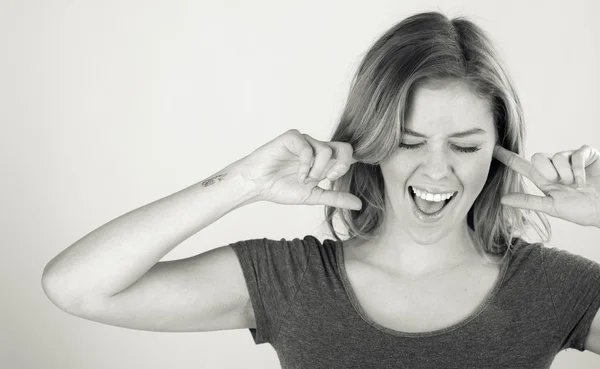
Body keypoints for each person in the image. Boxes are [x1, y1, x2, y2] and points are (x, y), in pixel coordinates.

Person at [41, 11, 600, 368]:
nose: (437, 172)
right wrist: (241, 182)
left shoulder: (553, 286)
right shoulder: (293, 281)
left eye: (466, 145)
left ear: (502, 152)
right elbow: (77, 287)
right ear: (371, 141)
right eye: (408, 141)